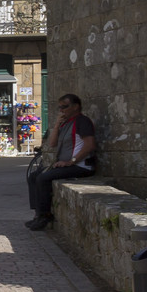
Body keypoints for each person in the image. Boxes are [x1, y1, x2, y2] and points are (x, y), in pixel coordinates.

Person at [26, 93, 97, 230]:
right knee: (34, 176)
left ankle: (45, 215)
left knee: (43, 178)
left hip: (81, 166)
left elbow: (90, 145)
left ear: (76, 106)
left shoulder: (82, 121)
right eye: (60, 108)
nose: (61, 110)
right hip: (64, 163)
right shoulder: (66, 123)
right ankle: (38, 214)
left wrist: (71, 161)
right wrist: (57, 125)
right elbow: (52, 143)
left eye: (65, 107)